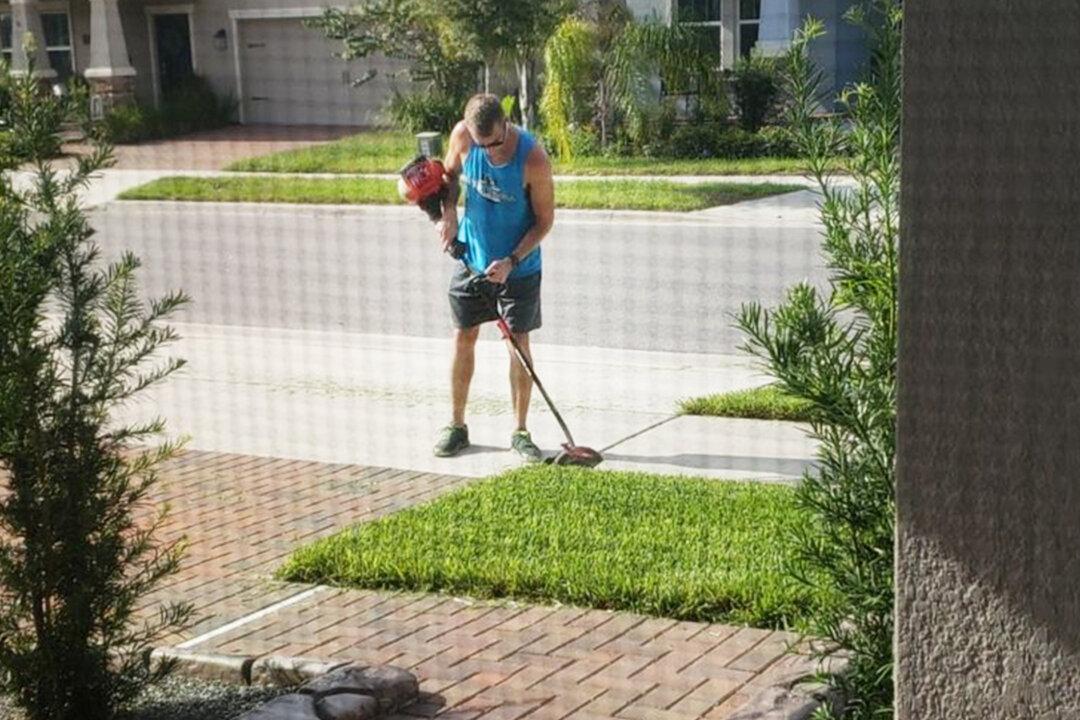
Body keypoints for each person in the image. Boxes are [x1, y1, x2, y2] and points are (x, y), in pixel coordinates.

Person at [433, 93, 555, 462]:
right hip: (472, 260)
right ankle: (456, 426)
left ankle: (520, 431)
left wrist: (512, 261)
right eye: (481, 145)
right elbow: (449, 178)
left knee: (518, 343)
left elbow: (545, 222)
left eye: (496, 142)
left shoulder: (532, 157)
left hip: (519, 266)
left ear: (506, 124)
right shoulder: (462, 137)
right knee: (462, 338)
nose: (490, 151)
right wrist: (450, 213)